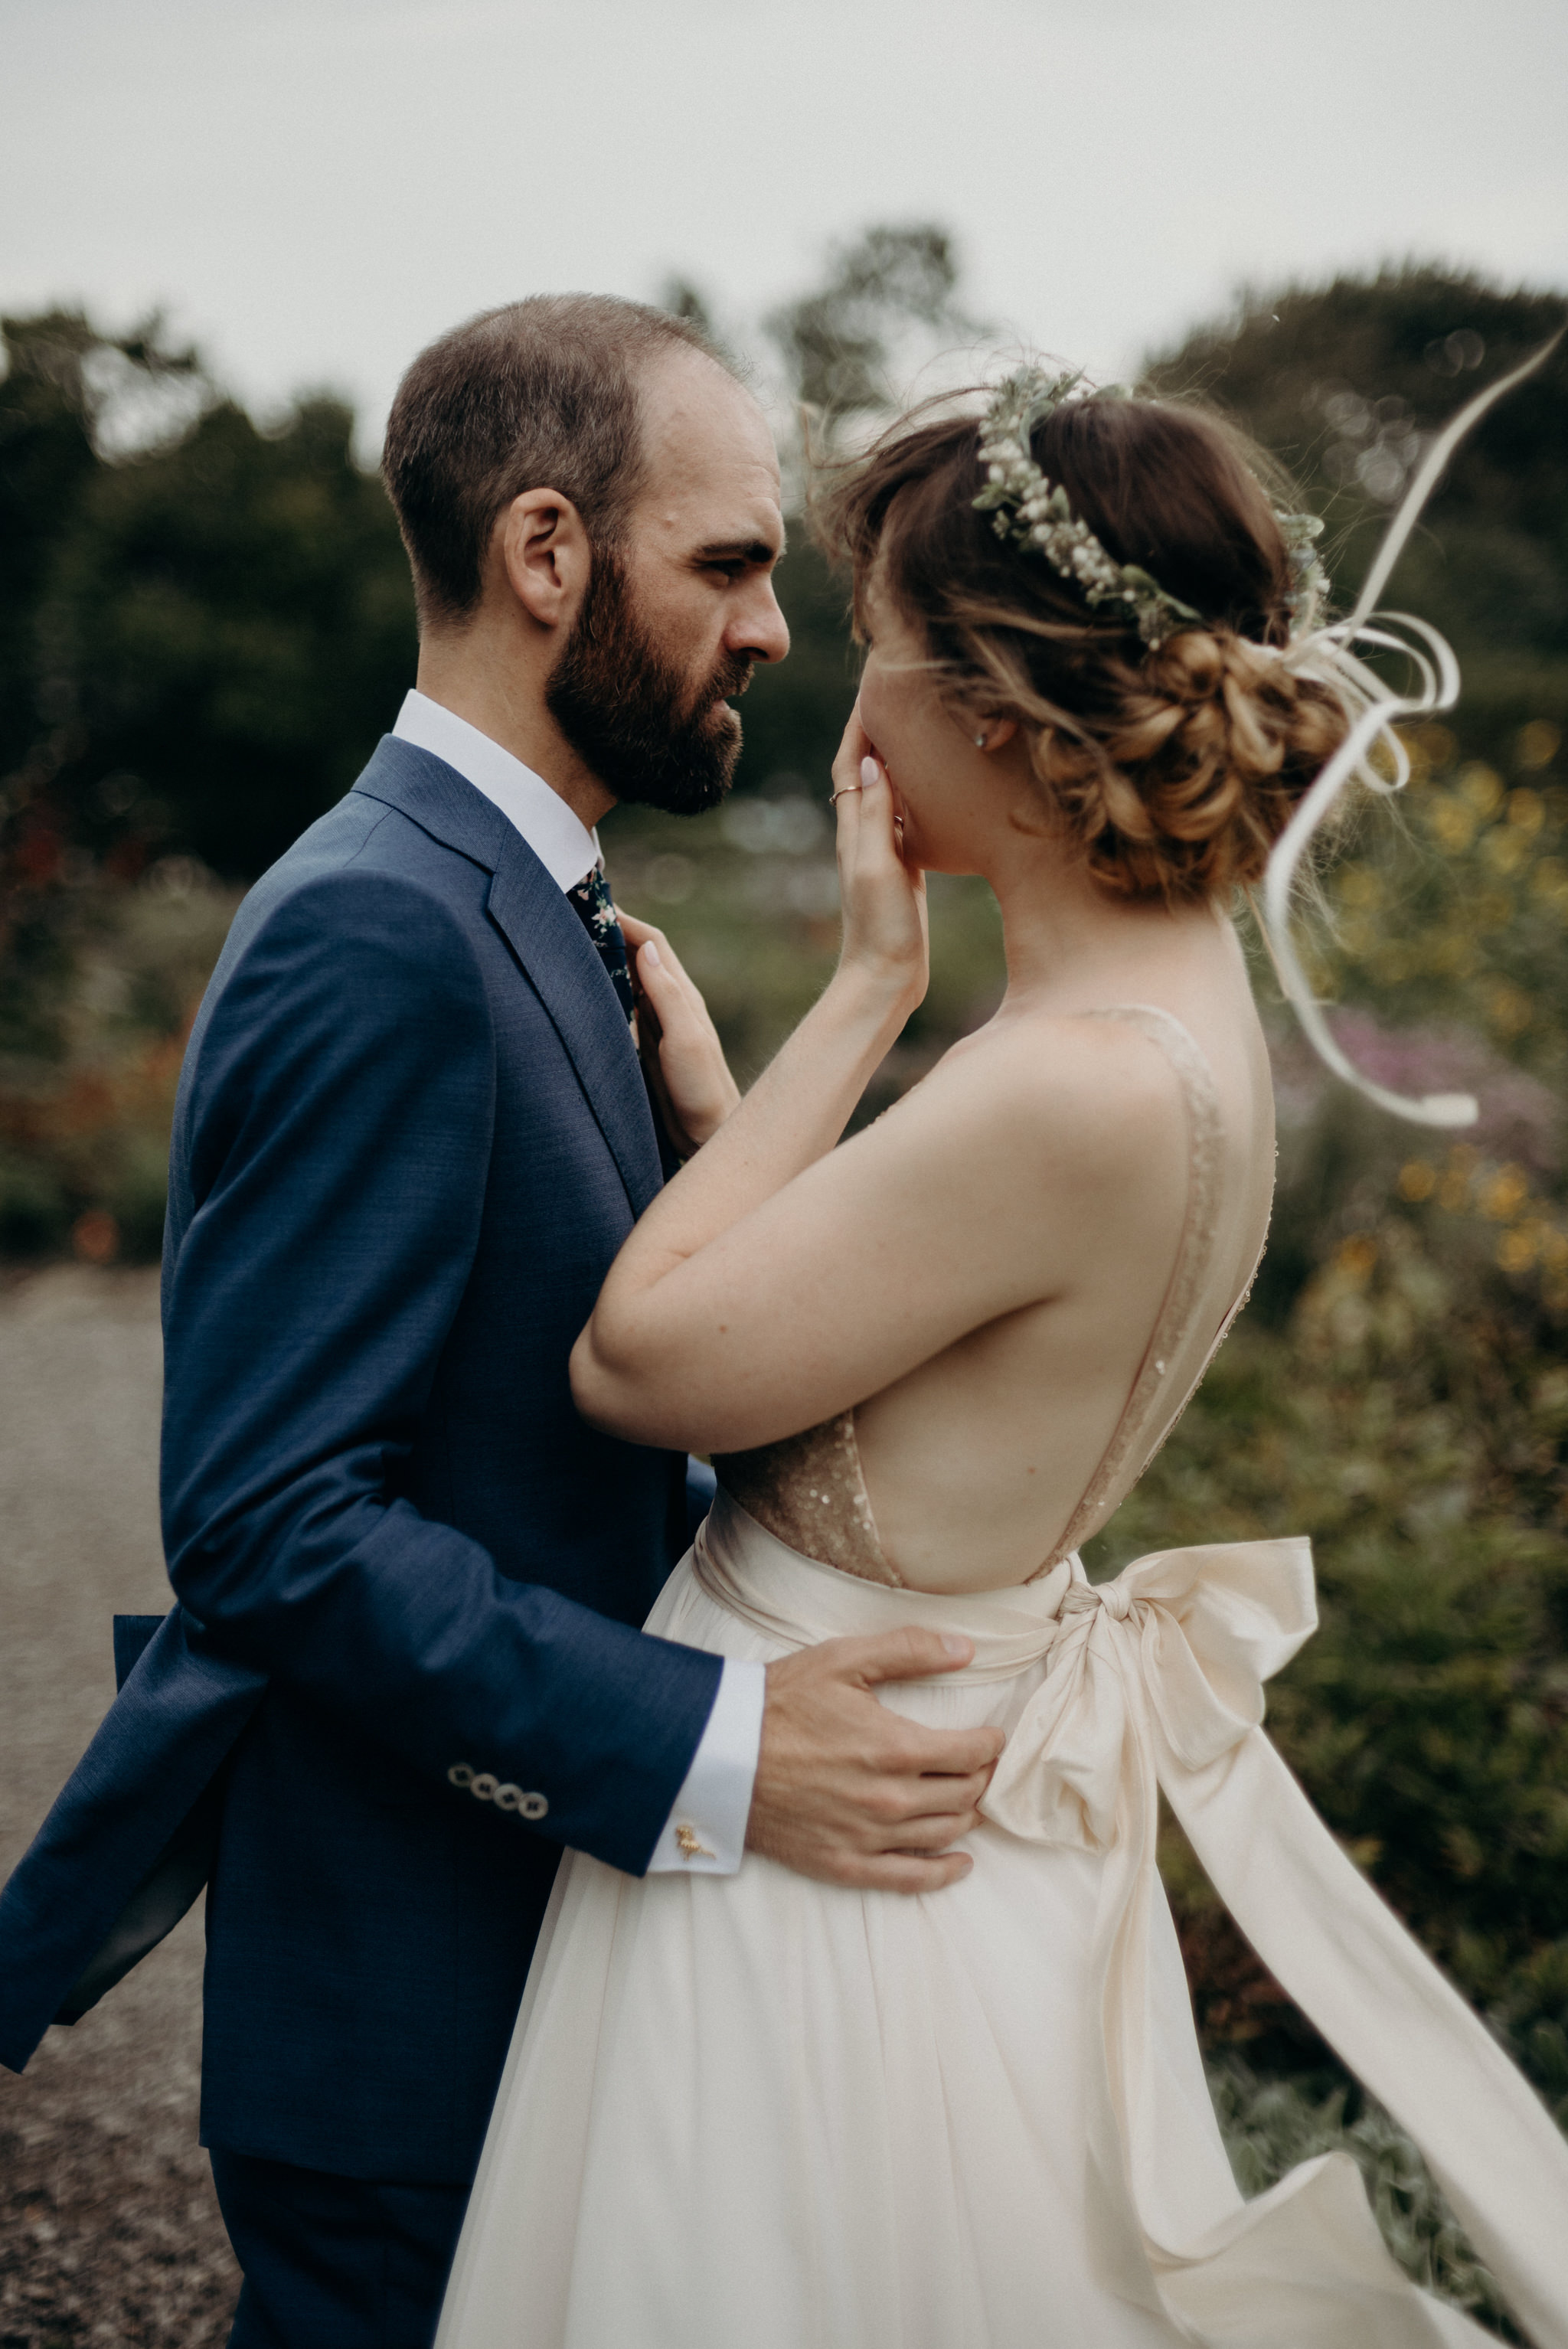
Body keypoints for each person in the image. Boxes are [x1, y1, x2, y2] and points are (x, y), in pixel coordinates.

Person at [435, 366, 1568, 2347]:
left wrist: (864, 996)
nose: (843, 704)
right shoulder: (1175, 1013)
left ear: (997, 707)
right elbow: (894, 1317)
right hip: (955, 1800)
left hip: (826, 1887)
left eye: (874, 650)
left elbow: (638, 1363)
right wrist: (738, 1125)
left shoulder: (1058, 1083)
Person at [0, 297, 1006, 2347]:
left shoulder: (533, 914)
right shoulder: (381, 927)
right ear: (548, 554)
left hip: (549, 1984)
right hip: (418, 2014)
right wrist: (718, 1743)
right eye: (726, 563)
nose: (774, 630)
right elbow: (274, 1521)